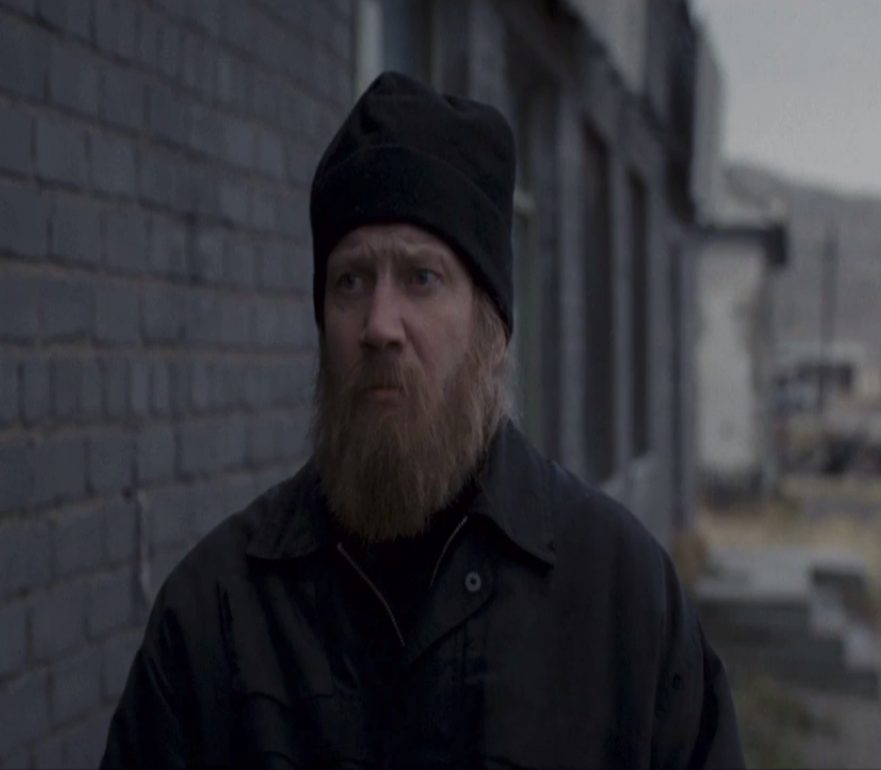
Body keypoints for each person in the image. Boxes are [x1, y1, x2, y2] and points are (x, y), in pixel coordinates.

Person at [100, 71, 745, 770]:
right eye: (351, 281)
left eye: (421, 278)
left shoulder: (623, 603)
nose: (380, 324)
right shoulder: (217, 617)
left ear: (490, 328)